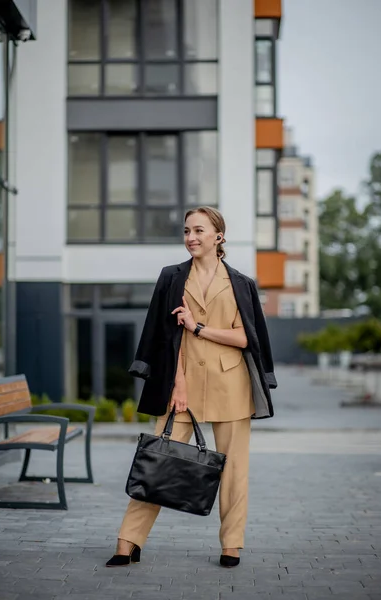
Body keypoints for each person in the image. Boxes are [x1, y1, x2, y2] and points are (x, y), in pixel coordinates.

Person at [106, 207, 277, 569]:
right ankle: (128, 541)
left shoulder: (240, 283)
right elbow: (161, 335)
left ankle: (231, 545)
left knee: (234, 471)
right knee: (156, 461)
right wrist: (175, 385)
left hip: (231, 385)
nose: (190, 237)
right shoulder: (171, 278)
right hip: (181, 386)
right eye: (186, 231)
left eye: (199, 230)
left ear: (219, 236)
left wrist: (198, 327)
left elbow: (247, 337)